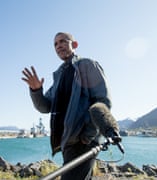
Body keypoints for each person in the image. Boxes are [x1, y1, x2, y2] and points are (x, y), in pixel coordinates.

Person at [21, 32, 117, 180]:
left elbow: (102, 101)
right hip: (68, 141)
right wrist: (36, 91)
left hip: (84, 140)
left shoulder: (87, 65)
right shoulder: (59, 75)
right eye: (55, 44)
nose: (58, 46)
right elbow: (45, 107)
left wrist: (88, 136)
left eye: (62, 41)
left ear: (75, 45)